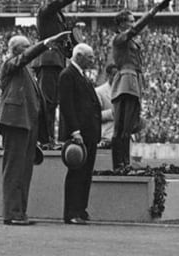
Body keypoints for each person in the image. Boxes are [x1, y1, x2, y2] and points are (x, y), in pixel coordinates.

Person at [0, 35, 57, 226]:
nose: (30, 50)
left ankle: (20, 212)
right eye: (26, 47)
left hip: (28, 125)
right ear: (16, 50)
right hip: (15, 123)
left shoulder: (27, 71)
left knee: (24, 172)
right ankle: (12, 212)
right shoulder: (10, 65)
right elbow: (23, 58)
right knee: (14, 170)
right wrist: (44, 44)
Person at [33, 0, 102, 138]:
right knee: (48, 103)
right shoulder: (45, 10)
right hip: (49, 61)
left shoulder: (58, 15)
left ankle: (59, 138)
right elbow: (62, 2)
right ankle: (44, 139)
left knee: (62, 102)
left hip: (59, 60)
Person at [111, 0, 172, 169]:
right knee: (122, 128)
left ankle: (123, 162)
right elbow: (135, 30)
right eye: (130, 21)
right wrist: (154, 11)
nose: (133, 23)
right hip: (126, 83)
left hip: (131, 82)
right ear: (122, 23)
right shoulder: (119, 38)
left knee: (126, 128)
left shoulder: (127, 41)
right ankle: (120, 164)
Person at [58, 43, 102, 225]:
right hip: (79, 134)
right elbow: (67, 106)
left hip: (89, 133)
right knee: (76, 174)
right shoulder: (67, 75)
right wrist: (75, 131)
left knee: (86, 174)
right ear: (79, 56)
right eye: (90, 57)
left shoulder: (81, 76)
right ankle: (71, 212)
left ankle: (81, 209)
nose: (93, 60)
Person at [95, 64, 117, 148]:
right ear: (108, 75)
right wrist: (111, 113)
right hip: (106, 136)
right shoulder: (99, 92)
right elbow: (94, 116)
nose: (116, 77)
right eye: (114, 74)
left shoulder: (124, 91)